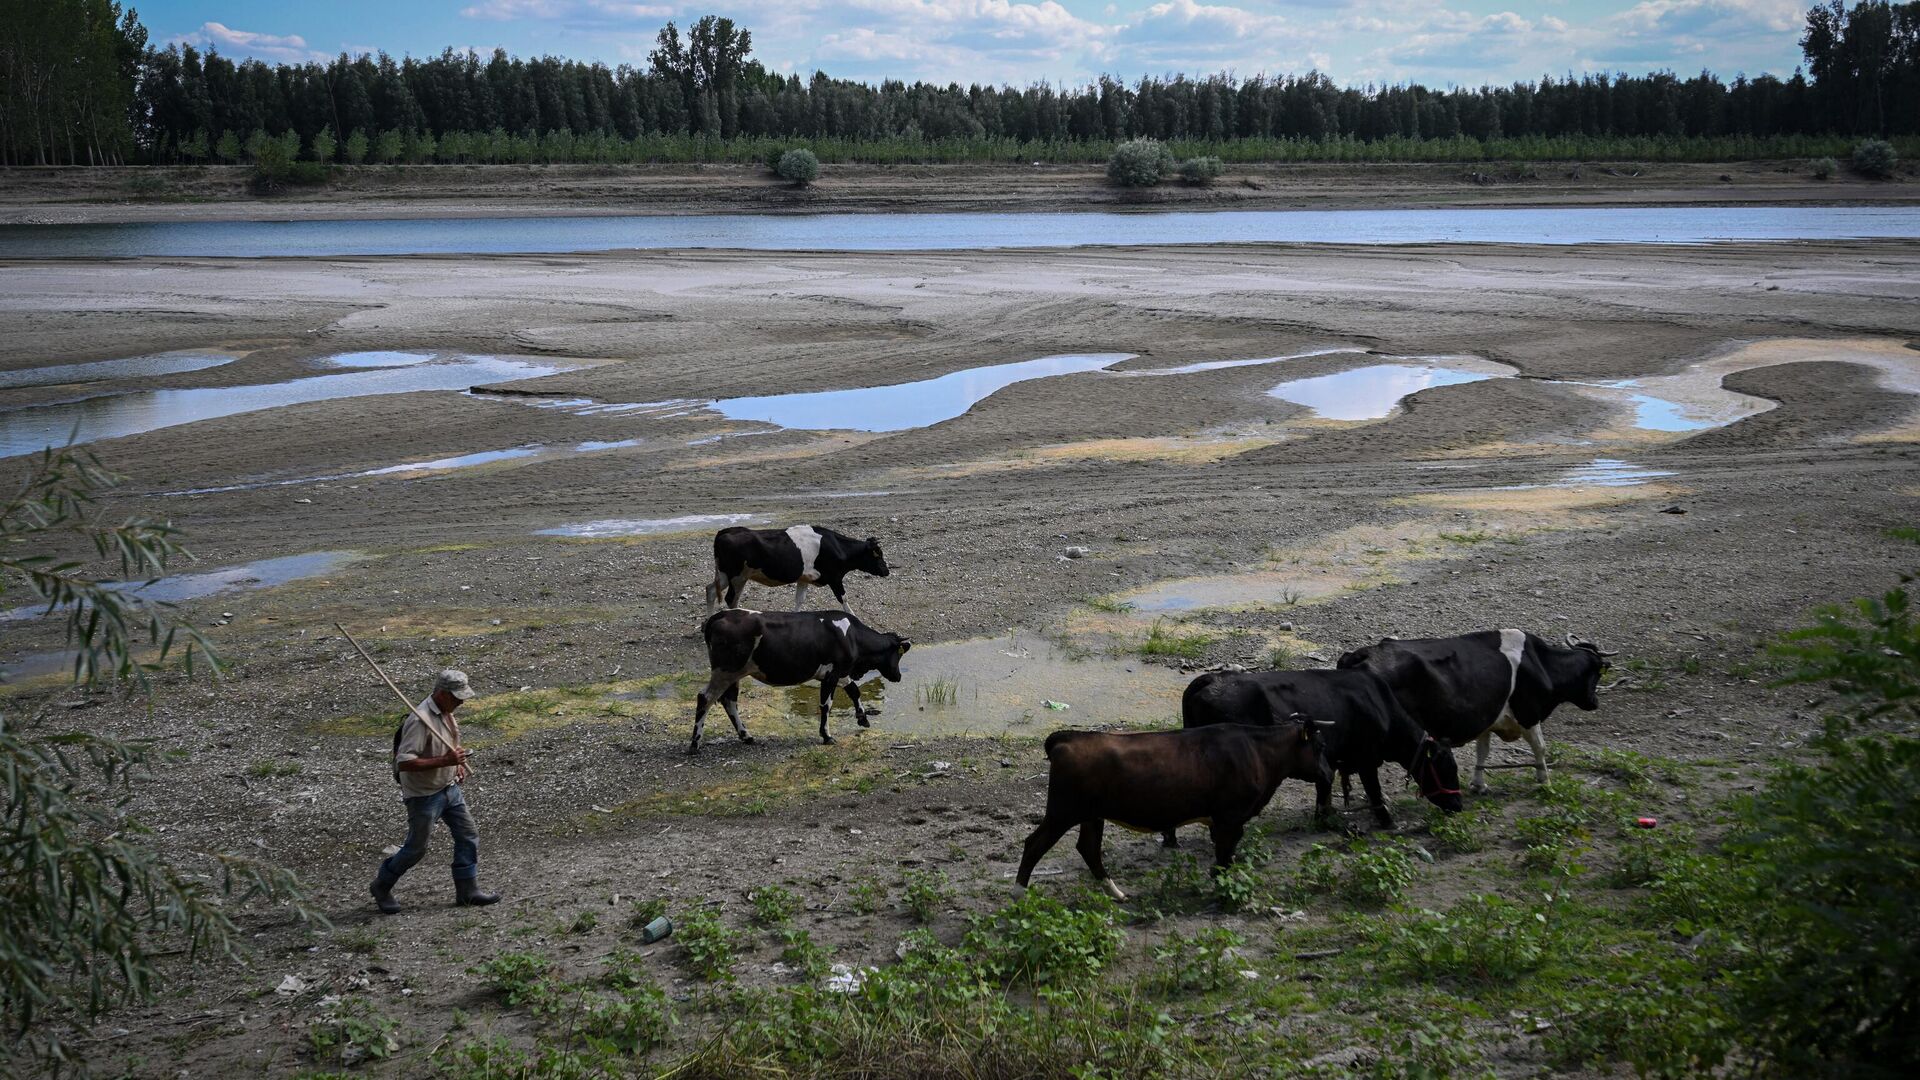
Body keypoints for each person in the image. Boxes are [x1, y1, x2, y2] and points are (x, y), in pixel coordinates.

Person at [369, 669, 501, 914]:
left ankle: (467, 891)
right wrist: (445, 761)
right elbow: (404, 762)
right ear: (441, 694)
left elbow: (450, 745)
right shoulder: (420, 720)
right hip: (423, 795)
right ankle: (382, 885)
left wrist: (458, 763)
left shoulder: (447, 713)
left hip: (448, 788)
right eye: (456, 697)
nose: (461, 702)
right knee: (416, 849)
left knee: (467, 835)